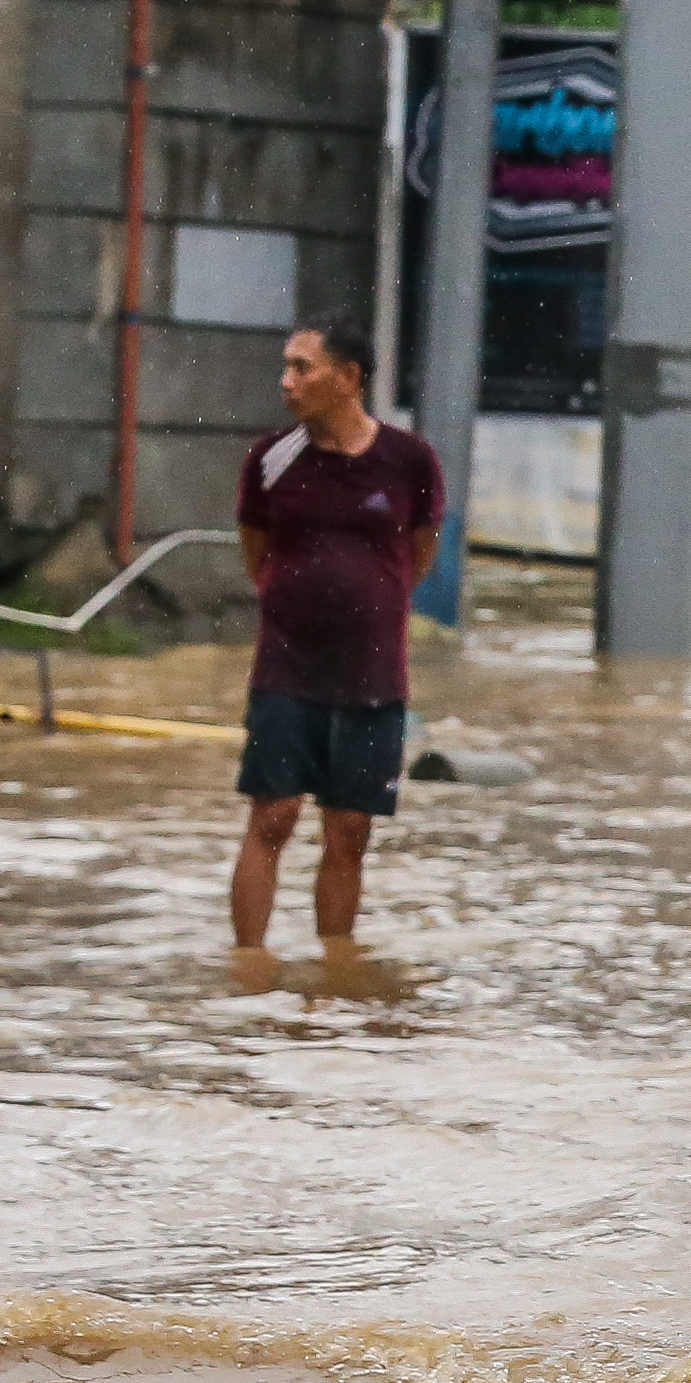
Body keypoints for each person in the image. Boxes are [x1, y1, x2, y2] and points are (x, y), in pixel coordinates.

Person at [232, 324, 444, 977]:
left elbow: (418, 553)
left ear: (349, 377)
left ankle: (336, 973)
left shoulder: (410, 461)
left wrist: (368, 606)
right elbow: (255, 553)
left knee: (349, 830)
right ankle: (248, 965)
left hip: (374, 676)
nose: (286, 381)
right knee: (272, 814)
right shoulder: (270, 458)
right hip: (286, 668)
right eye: (286, 368)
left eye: (303, 367)